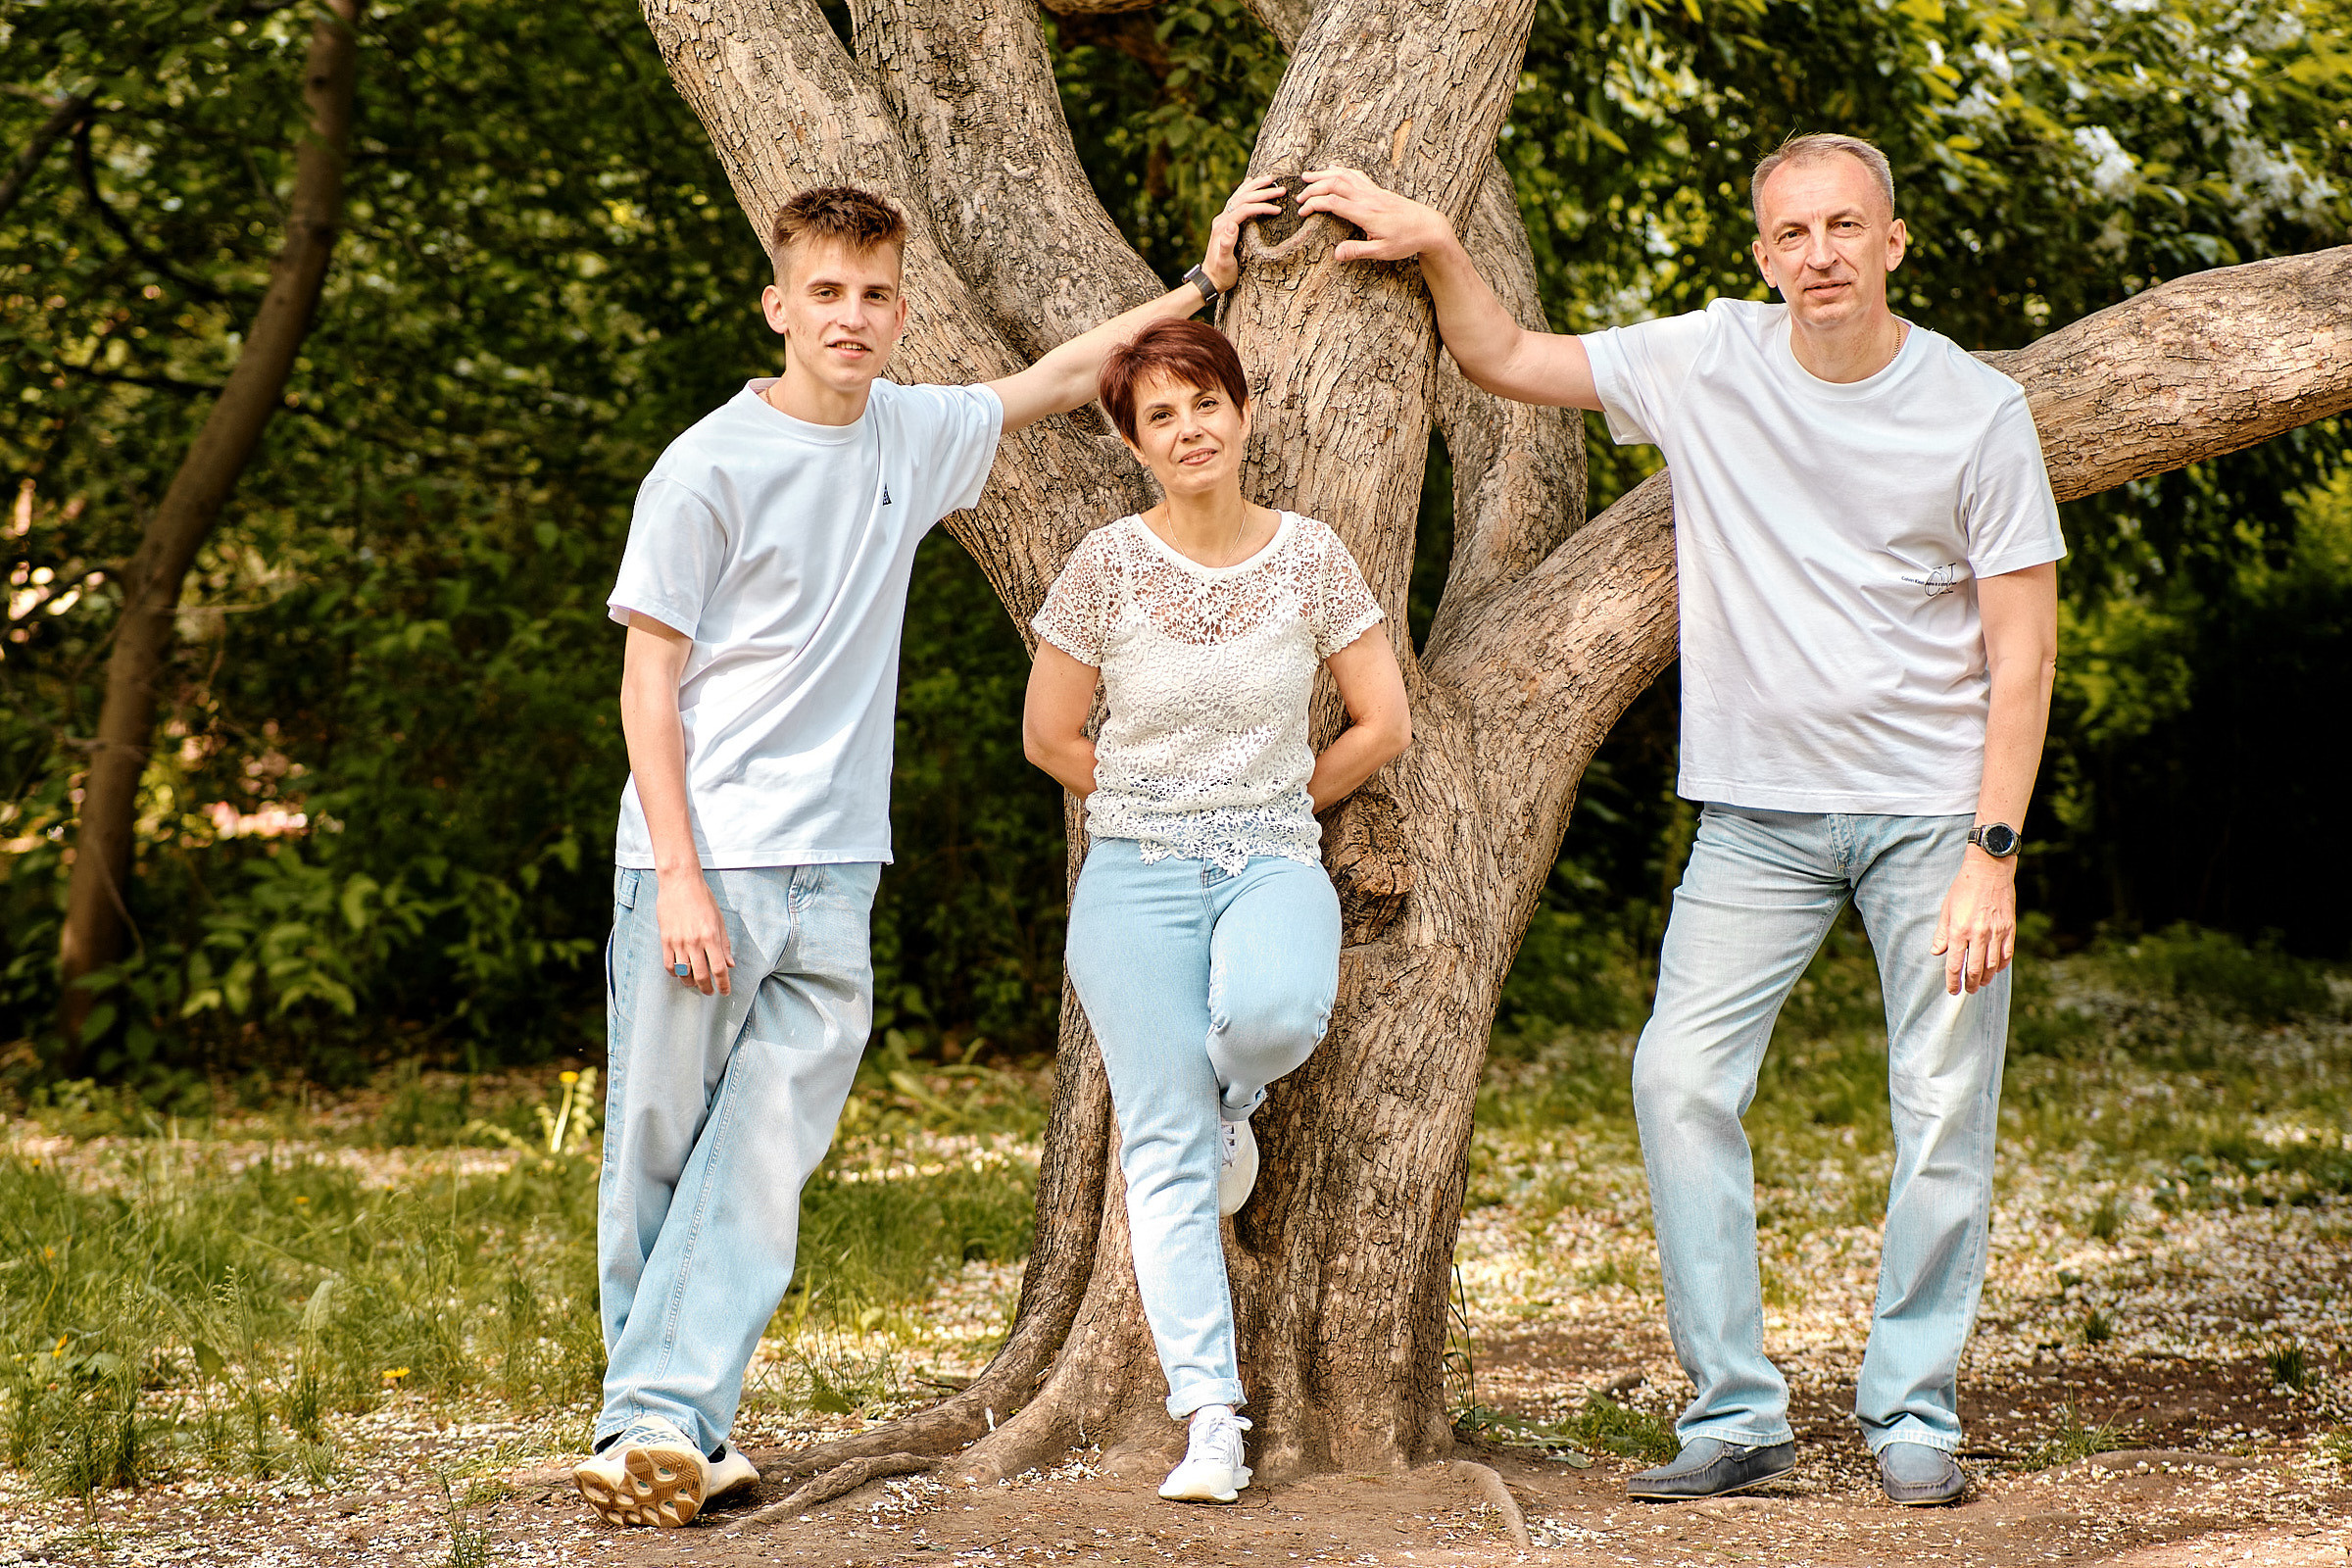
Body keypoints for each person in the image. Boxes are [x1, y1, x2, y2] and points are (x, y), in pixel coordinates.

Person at [1296, 133, 2062, 1507]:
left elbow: (2026, 652)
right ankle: (1737, 1413)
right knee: (1677, 1079)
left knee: (1944, 1105)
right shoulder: (1711, 359)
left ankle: (1914, 1410)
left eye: (1845, 226)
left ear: (1892, 242)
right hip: (1757, 819)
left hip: (1933, 815)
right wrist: (1442, 244)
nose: (1820, 254)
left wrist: (1991, 854)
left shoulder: (1976, 411)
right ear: (1763, 255)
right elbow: (1506, 358)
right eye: (1793, 233)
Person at [573, 176, 1287, 1531]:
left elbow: (1067, 375)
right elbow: (646, 683)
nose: (851, 316)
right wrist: (677, 875)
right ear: (779, 306)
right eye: (825, 294)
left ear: (901, 313)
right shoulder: (706, 465)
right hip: (702, 857)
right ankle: (655, 1423)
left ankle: (663, 1424)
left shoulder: (910, 431)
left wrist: (1205, 285)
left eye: (875, 295)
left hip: (840, 867)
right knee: (657, 1148)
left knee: (762, 1158)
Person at [1022, 318, 1411, 1504]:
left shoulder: (1311, 557)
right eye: (1161, 415)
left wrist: (1278, 797)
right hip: (1135, 874)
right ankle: (1211, 1418)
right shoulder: (1104, 566)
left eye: (1206, 404)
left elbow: (1383, 722)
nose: (1189, 430)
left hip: (1271, 857)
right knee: (1162, 1148)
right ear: (1134, 442)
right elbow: (1049, 736)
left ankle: (1234, 1100)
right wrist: (1155, 802)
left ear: (1243, 414)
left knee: (1271, 1016)